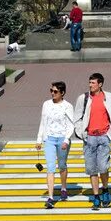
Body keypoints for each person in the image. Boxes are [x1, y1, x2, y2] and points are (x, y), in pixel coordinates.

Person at [74, 72, 111, 210]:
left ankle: (105, 190)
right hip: (89, 138)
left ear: (100, 84)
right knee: (91, 169)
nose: (90, 85)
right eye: (89, 82)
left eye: (93, 83)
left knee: (103, 167)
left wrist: (110, 133)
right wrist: (81, 133)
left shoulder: (109, 97)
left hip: (103, 136)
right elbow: (77, 117)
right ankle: (96, 196)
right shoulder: (83, 98)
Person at [36, 81, 75, 209]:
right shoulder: (46, 104)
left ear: (62, 93)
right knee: (50, 167)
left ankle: (63, 187)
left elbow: (71, 124)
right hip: (49, 140)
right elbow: (43, 121)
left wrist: (66, 140)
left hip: (63, 139)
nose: (53, 93)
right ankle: (51, 197)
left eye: (55, 91)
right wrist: (39, 140)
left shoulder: (67, 106)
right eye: (51, 91)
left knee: (62, 165)